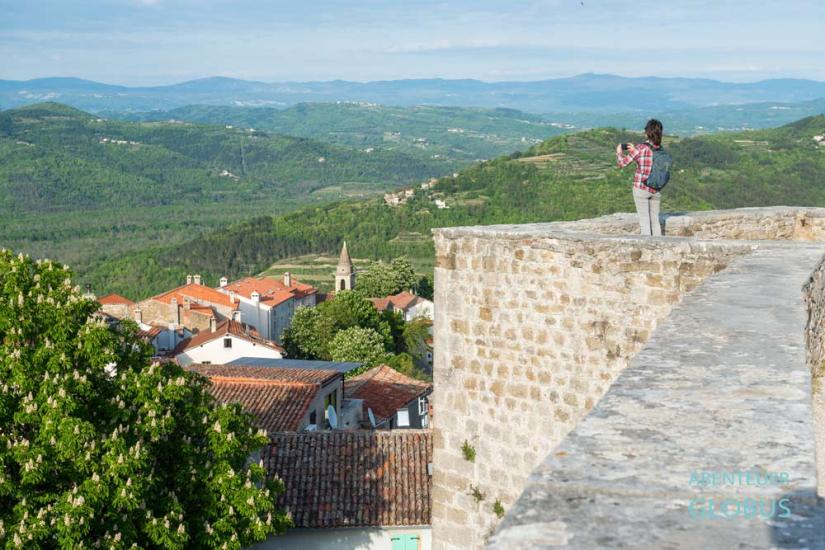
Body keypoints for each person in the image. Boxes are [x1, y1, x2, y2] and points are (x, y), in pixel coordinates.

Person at [616, 119, 665, 236]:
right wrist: (635, 151)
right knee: (655, 221)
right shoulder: (660, 149)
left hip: (641, 188)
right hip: (656, 188)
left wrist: (619, 152)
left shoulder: (640, 148)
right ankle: (659, 245)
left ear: (647, 133)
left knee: (644, 220)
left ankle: (648, 247)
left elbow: (622, 163)